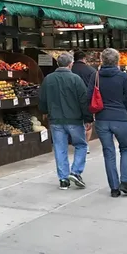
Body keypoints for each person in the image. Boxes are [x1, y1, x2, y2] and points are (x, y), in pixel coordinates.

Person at [38, 52, 91, 190]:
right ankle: (76, 172)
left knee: (60, 148)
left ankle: (63, 179)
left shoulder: (48, 79)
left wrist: (44, 112)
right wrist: (88, 118)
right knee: (81, 145)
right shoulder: (76, 79)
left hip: (55, 120)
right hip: (74, 119)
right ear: (70, 64)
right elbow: (83, 100)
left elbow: (42, 99)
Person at [88, 48, 127, 198]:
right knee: (126, 149)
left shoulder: (96, 76)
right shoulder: (123, 77)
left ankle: (114, 187)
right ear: (117, 60)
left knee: (109, 153)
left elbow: (89, 97)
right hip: (120, 118)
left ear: (102, 60)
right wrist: (123, 110)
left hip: (102, 119)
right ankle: (124, 181)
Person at [72, 50, 97, 153]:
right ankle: (86, 145)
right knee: (88, 123)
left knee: (76, 123)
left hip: (72, 100)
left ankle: (78, 143)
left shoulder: (70, 69)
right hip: (87, 100)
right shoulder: (91, 70)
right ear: (84, 59)